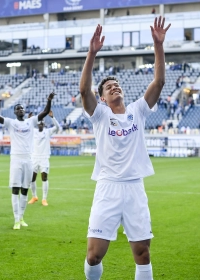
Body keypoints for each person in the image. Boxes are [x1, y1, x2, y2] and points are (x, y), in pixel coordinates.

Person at [79, 16, 170, 280]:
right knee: (94, 255)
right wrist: (91, 53)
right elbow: (84, 90)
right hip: (107, 186)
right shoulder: (100, 116)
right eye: (108, 87)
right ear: (103, 98)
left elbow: (159, 82)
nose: (114, 86)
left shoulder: (137, 111)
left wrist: (158, 46)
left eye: (116, 84)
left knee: (142, 253)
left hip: (134, 186)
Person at [0, 92, 55, 230]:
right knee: (15, 189)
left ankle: (21, 217)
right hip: (16, 159)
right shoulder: (11, 122)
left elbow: (44, 112)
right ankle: (15, 219)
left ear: (24, 111)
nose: (20, 110)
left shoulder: (30, 122)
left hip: (28, 159)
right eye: (18, 108)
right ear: (14, 112)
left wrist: (49, 100)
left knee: (25, 190)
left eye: (22, 108)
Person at [28, 110, 60, 206]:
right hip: (34, 158)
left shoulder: (48, 132)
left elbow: (58, 127)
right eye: (39, 122)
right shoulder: (33, 132)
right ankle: (34, 196)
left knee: (44, 177)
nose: (41, 124)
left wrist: (52, 117)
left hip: (44, 158)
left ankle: (44, 199)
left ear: (44, 123)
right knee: (32, 178)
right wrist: (29, 119)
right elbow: (26, 126)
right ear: (37, 124)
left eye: (42, 122)